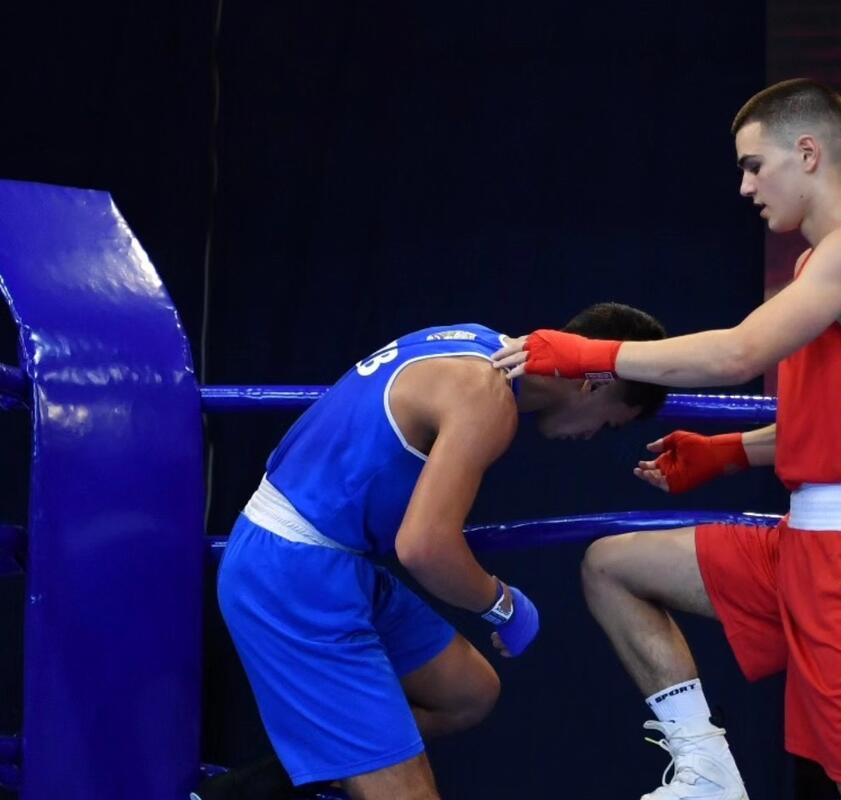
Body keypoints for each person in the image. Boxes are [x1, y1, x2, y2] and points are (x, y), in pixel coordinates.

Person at [493, 79, 841, 800]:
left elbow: (738, 354)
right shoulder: (816, 265)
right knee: (611, 567)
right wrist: (729, 452)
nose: (745, 187)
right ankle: (707, 771)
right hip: (803, 542)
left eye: (754, 165)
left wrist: (587, 353)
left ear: (807, 153)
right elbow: (835, 424)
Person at [211, 303, 667, 800]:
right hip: (293, 573)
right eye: (610, 423)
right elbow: (424, 546)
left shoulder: (476, 340)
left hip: (329, 559)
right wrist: (503, 605)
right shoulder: (486, 397)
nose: (593, 435)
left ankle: (264, 784)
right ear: (594, 384)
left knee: (467, 693)